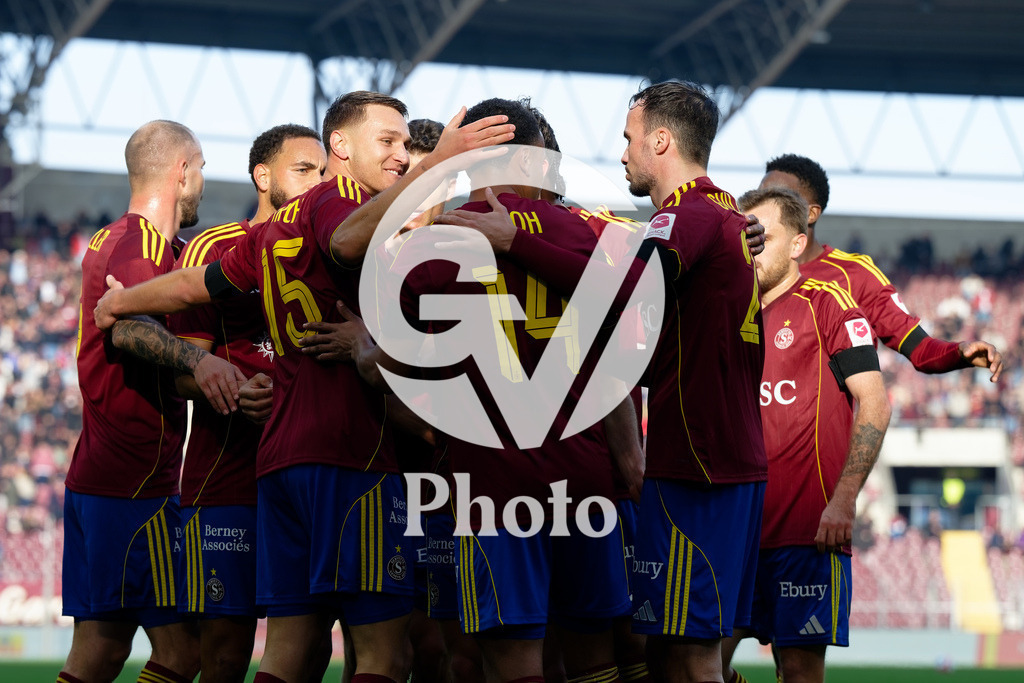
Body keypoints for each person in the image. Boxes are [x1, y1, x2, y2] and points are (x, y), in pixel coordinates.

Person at [91, 93, 515, 683]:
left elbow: (200, 284)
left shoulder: (280, 225)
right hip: (349, 455)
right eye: (386, 142)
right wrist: (435, 164)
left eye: (403, 145)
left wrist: (122, 301)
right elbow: (344, 242)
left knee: (291, 650)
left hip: (280, 464)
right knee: (385, 655)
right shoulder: (340, 202)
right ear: (341, 146)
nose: (398, 155)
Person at [432, 80, 768, 683]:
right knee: (651, 648)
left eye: (629, 139)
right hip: (679, 464)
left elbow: (632, 295)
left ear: (660, 140)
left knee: (678, 654)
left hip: (692, 464)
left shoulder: (687, 217)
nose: (620, 154)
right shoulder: (706, 219)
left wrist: (514, 239)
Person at [334, 96, 641, 683]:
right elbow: (620, 353)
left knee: (503, 658)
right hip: (585, 483)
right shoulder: (586, 232)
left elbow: (382, 337)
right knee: (592, 658)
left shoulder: (436, 242)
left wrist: (365, 348)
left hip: (492, 492)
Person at [58, 120, 246, 683]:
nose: (204, 183)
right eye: (203, 169)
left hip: (101, 475)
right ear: (181, 171)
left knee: (100, 649)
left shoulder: (141, 245)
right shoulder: (138, 243)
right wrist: (202, 360)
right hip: (135, 481)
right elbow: (126, 331)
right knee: (183, 653)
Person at [168, 123, 326, 683]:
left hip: (309, 480)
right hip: (229, 478)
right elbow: (182, 370)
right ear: (263, 176)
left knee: (308, 651)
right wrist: (233, 390)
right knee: (225, 655)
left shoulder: (330, 251)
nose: (318, 183)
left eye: (324, 173)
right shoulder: (216, 247)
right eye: (304, 170)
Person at [721, 187, 891, 683]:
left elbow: (875, 404)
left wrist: (843, 501)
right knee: (693, 664)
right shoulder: (726, 311)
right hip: (735, 532)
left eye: (763, 237)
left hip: (806, 535)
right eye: (744, 237)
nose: (750, 247)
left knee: (797, 673)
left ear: (797, 245)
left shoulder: (829, 304)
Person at [759, 154, 1002, 382]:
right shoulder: (738, 267)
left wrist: (958, 353)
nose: (762, 207)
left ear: (810, 214)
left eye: (777, 198)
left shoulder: (854, 275)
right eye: (759, 197)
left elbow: (920, 349)